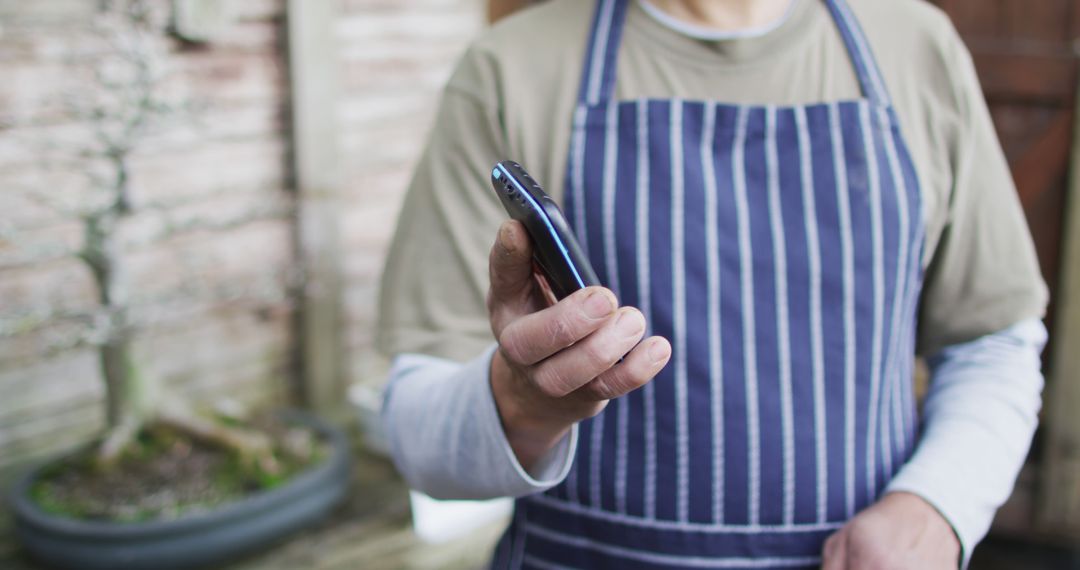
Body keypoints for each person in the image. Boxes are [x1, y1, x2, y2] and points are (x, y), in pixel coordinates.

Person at [376, 0, 1049, 567]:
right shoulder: (509, 69)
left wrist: (937, 504)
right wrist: (519, 406)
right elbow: (414, 428)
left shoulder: (916, 48)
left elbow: (993, 342)